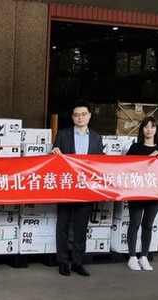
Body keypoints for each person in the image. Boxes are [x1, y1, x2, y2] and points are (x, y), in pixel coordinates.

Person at [50, 99, 104, 277]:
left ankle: (78, 262)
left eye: (83, 114)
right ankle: (63, 261)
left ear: (89, 115)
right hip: (66, 187)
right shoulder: (63, 135)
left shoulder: (96, 137)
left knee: (81, 226)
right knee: (63, 225)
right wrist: (54, 152)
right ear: (72, 117)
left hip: (86, 189)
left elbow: (100, 162)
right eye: (76, 114)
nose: (80, 117)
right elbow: (54, 158)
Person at [125, 116, 158, 271]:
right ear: (142, 130)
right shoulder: (135, 148)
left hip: (155, 192)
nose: (149, 129)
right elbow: (127, 169)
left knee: (148, 224)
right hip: (137, 192)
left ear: (156, 129)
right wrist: (148, 159)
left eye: (152, 126)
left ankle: (144, 256)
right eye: (146, 126)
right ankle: (132, 257)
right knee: (135, 223)